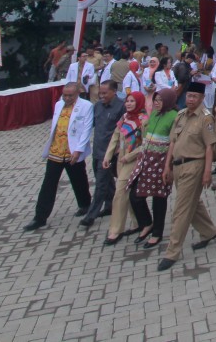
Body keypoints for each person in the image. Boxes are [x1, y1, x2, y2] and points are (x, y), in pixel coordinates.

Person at [157, 82, 216, 271]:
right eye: (188, 96)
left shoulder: (206, 118)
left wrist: (208, 171)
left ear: (201, 98)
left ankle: (172, 251)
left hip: (195, 165)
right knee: (193, 202)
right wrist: (166, 166)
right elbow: (172, 142)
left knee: (181, 209)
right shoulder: (180, 115)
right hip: (177, 166)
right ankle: (209, 231)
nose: (190, 99)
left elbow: (210, 147)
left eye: (194, 97)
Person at [24, 83, 93, 231]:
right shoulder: (58, 104)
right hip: (56, 150)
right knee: (49, 183)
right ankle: (40, 217)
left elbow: (86, 129)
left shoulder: (86, 106)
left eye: (70, 95)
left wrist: (79, 150)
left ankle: (85, 204)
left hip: (72, 150)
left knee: (79, 179)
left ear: (77, 94)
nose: (67, 98)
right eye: (65, 95)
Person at [128, 87, 177, 249]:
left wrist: (168, 167)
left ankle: (157, 232)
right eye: (155, 100)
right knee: (134, 194)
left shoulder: (173, 117)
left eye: (160, 100)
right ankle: (147, 223)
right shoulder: (154, 114)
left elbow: (173, 143)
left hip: (161, 161)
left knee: (159, 197)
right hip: (146, 159)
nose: (156, 103)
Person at [101, 91, 148, 245]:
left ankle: (115, 231)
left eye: (132, 101)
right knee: (127, 193)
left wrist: (130, 156)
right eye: (127, 101)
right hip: (121, 159)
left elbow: (146, 144)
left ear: (139, 103)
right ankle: (138, 223)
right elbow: (115, 137)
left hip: (133, 160)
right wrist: (108, 156)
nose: (128, 104)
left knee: (119, 194)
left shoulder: (144, 120)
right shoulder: (125, 117)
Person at [80, 80, 123, 227]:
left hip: (110, 153)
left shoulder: (121, 107)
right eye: (100, 93)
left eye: (105, 93)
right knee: (106, 180)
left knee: (101, 184)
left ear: (114, 92)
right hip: (97, 150)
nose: (102, 96)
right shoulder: (97, 106)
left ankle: (90, 215)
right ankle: (110, 205)